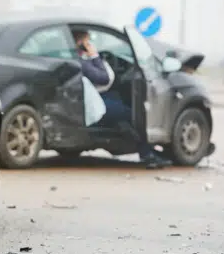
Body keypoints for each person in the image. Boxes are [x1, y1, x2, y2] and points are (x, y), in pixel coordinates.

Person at [72, 29, 172, 169]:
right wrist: (95, 56)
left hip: (91, 98)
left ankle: (136, 140)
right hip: (90, 104)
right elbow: (103, 78)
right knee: (132, 114)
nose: (90, 44)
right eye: (88, 42)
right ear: (80, 43)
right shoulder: (81, 62)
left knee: (117, 99)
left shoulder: (77, 59)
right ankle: (146, 153)